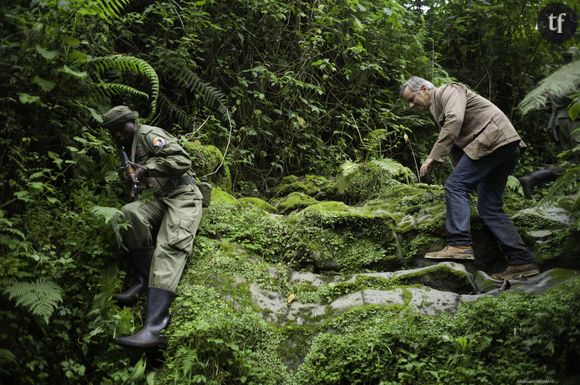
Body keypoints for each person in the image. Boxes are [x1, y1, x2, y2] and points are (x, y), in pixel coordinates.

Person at [399, 76, 539, 280]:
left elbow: (455, 120)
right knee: (489, 207)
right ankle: (522, 261)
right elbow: (456, 144)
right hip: (502, 146)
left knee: (455, 186)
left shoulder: (449, 90)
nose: (411, 105)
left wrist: (433, 157)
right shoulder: (435, 107)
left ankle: (459, 243)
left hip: (492, 140)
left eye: (411, 99)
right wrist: (458, 172)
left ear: (423, 88)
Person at [101, 106, 203, 348]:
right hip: (158, 199)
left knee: (169, 246)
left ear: (132, 122)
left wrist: (147, 168)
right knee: (130, 213)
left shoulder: (148, 135)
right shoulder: (128, 149)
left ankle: (155, 327)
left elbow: (182, 160)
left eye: (120, 128)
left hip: (183, 195)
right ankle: (143, 281)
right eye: (112, 131)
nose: (117, 134)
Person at [518, 46, 580, 198]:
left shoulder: (558, 75)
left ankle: (532, 179)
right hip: (572, 121)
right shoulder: (571, 75)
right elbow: (570, 99)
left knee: (570, 162)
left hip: (559, 122)